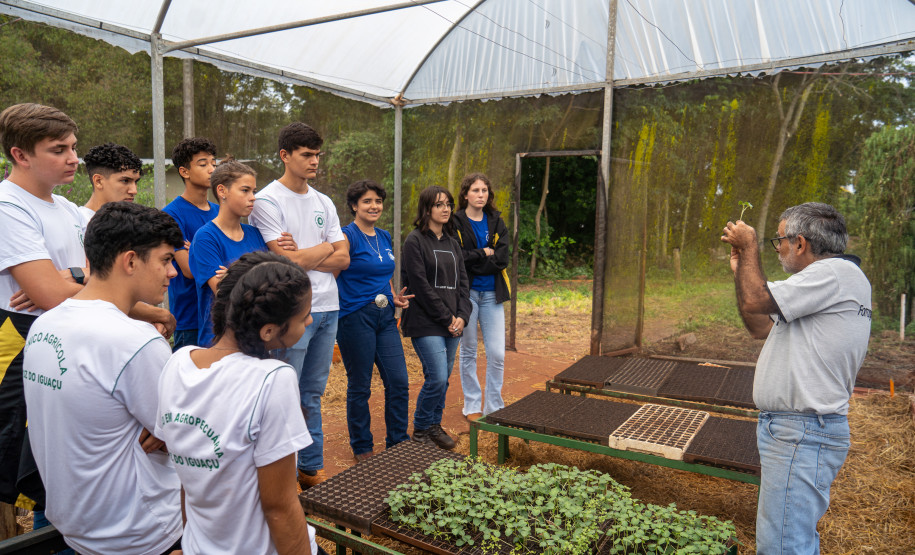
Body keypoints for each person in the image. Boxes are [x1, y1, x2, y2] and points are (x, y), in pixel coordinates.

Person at [0, 104, 173, 523]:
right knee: (37, 462)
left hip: (77, 338)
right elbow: (49, 294)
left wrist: (154, 313)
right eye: (58, 149)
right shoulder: (8, 206)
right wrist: (76, 285)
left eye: (73, 147)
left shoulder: (69, 210)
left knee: (71, 453)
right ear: (20, 155)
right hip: (23, 341)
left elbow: (94, 286)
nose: (73, 158)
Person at [23, 201, 184, 555]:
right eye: (165, 259)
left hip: (77, 525)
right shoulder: (134, 341)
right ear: (129, 261)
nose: (172, 273)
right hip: (142, 530)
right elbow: (185, 436)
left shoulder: (44, 326)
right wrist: (172, 427)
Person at [720, 202, 871, 554]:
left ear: (800, 243)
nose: (778, 249)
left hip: (802, 431)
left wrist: (748, 246)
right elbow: (759, 325)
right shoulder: (825, 284)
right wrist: (742, 269)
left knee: (783, 545)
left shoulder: (833, 274)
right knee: (791, 540)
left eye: (779, 241)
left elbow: (757, 299)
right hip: (798, 430)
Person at [156, 251, 323, 555]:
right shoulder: (272, 379)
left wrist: (190, 543)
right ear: (269, 331)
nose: (310, 320)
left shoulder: (177, 364)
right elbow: (280, 507)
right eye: (304, 316)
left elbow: (187, 484)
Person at [249, 122, 348, 488]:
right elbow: (286, 263)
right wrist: (326, 248)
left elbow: (344, 258)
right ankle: (282, 475)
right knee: (285, 391)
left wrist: (310, 253)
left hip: (329, 307)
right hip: (293, 310)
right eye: (306, 155)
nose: (314, 162)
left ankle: (310, 467)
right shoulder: (266, 200)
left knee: (313, 391)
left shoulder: (323, 201)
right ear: (285, 155)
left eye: (317, 155)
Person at [335, 180, 412, 463]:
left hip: (385, 317)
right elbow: (333, 273)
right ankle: (362, 446)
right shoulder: (346, 236)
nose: (374, 206)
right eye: (367, 201)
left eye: (378, 201)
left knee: (399, 380)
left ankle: (398, 441)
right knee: (360, 385)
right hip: (356, 317)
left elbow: (383, 273)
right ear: (354, 206)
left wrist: (393, 297)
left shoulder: (383, 236)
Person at [400, 185, 471, 450]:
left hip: (454, 323)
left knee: (444, 379)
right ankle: (420, 428)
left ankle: (434, 425)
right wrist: (447, 318)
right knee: (437, 377)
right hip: (426, 322)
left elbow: (464, 284)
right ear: (427, 209)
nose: (445, 209)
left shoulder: (453, 243)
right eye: (439, 204)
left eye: (448, 204)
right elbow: (419, 285)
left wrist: (462, 316)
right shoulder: (415, 240)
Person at [188, 159, 270, 347]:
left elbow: (273, 282)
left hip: (254, 338)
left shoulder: (255, 234)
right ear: (222, 191)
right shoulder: (205, 238)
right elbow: (224, 292)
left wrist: (234, 275)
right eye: (245, 190)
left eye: (254, 191)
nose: (253, 197)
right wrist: (256, 277)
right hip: (218, 342)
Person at [452, 173, 511, 421]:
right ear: (465, 194)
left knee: (497, 354)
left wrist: (476, 258)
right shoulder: (454, 221)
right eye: (475, 190)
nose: (480, 195)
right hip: (467, 295)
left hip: (492, 295)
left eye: (484, 190)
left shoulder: (496, 221)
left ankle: (494, 406)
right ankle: (472, 405)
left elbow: (501, 259)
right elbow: (457, 257)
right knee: (468, 351)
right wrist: (482, 254)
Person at [163, 137, 218, 351]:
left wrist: (195, 248)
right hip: (190, 317)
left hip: (219, 314)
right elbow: (188, 270)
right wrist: (211, 256)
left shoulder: (220, 211)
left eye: (214, 163)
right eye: (203, 164)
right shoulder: (172, 214)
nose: (211, 169)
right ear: (185, 171)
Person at [79, 142, 142, 221]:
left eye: (136, 182)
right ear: (98, 181)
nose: (134, 191)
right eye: (125, 181)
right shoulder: (77, 224)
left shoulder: (134, 224)